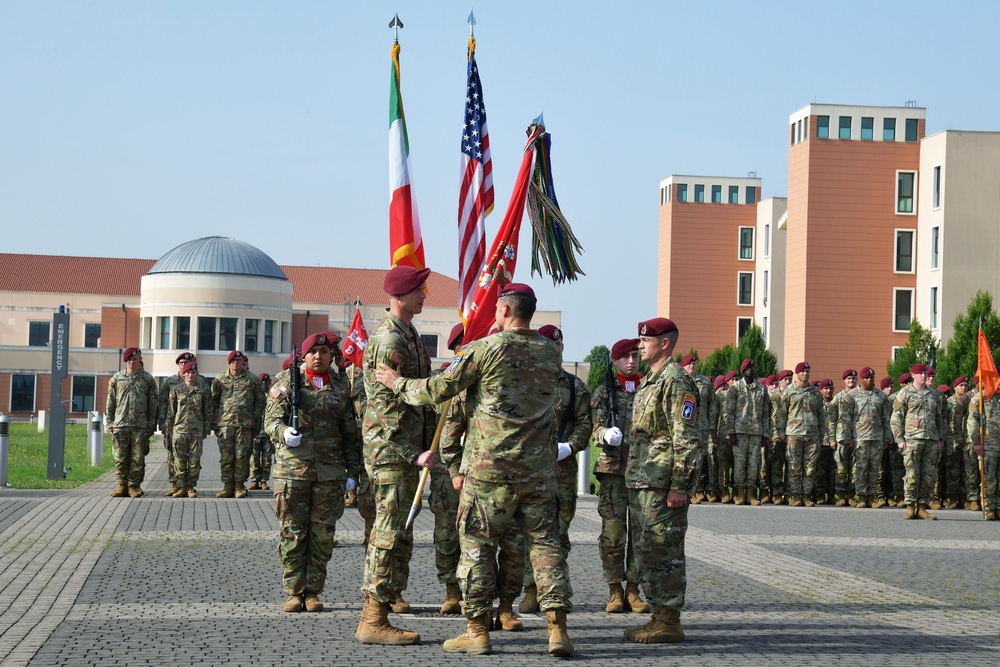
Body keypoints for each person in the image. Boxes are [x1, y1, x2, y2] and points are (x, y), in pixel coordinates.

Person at [374, 283, 574, 657]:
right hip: (539, 472)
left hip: (489, 473)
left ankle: (477, 632)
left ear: (503, 311)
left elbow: (439, 389)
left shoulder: (486, 349)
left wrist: (396, 382)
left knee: (478, 550)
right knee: (546, 549)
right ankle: (557, 630)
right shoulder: (551, 353)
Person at [356, 265, 437, 646]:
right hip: (392, 453)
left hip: (406, 452)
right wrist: (413, 452)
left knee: (398, 532)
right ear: (400, 295)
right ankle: (372, 620)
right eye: (419, 290)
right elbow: (385, 406)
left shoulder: (409, 333)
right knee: (386, 534)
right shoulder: (390, 339)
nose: (424, 295)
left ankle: (383, 608)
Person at [265, 332, 361, 612]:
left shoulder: (341, 388)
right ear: (303, 356)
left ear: (332, 356)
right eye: (312, 352)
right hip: (293, 472)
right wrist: (284, 432)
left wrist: (352, 471)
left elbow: (349, 433)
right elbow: (270, 420)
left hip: (329, 474)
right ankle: (294, 592)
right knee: (293, 533)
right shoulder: (285, 383)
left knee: (322, 536)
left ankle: (313, 592)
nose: (318, 357)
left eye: (324, 352)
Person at [620, 317, 699, 644]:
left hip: (663, 484)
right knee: (648, 551)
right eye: (640, 340)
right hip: (643, 482)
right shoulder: (650, 380)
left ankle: (669, 620)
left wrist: (680, 485)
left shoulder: (677, 381)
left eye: (645, 340)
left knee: (664, 551)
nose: (639, 346)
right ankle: (658, 615)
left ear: (664, 343)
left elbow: (687, 437)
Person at [520, 324, 592, 616]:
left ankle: (557, 592)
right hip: (529, 470)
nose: (553, 350)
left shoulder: (575, 386)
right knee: (528, 532)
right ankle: (529, 589)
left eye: (557, 345)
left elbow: (586, 424)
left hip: (561, 472)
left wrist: (571, 446)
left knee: (559, 534)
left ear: (561, 348)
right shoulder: (525, 381)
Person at [591, 338, 648, 614]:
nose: (631, 361)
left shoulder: (649, 389)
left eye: (635, 356)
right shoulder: (604, 392)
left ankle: (634, 590)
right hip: (612, 472)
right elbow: (595, 427)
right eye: (625, 357)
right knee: (613, 535)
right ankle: (614, 590)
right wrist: (605, 435)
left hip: (643, 472)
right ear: (615, 361)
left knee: (640, 535)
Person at [428, 322, 465, 616]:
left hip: (482, 472)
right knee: (447, 535)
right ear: (453, 350)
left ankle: (485, 596)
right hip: (445, 475)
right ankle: (452, 589)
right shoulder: (441, 383)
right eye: (463, 345)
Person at [891, 364, 947, 520]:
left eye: (925, 373)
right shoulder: (905, 393)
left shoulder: (935, 395)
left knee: (929, 476)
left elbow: (939, 419)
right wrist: (900, 439)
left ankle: (922, 507)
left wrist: (940, 439)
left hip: (931, 440)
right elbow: (896, 418)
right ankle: (910, 506)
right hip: (912, 440)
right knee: (912, 474)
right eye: (920, 373)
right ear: (913, 375)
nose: (923, 376)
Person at [211, 350, 266, 499]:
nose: (236, 363)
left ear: (243, 362)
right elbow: (213, 402)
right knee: (226, 456)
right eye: (233, 360)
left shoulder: (253, 380)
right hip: (225, 424)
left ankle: (239, 486)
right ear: (229, 362)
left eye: (239, 360)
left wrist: (255, 421)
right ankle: (227, 486)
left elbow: (260, 402)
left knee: (242, 456)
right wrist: (215, 423)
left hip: (245, 425)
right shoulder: (220, 380)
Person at [106, 347, 158, 498]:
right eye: (129, 359)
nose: (132, 361)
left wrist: (151, 424)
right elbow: (110, 402)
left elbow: (153, 404)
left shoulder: (147, 379)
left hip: (140, 425)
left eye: (135, 359)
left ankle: (134, 486)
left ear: (139, 360)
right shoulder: (116, 379)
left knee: (137, 458)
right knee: (120, 458)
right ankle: (121, 485)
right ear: (125, 361)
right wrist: (110, 423)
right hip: (120, 424)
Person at [777, 362, 825, 507]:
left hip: (812, 434)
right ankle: (794, 495)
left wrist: (822, 433)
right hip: (794, 434)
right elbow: (781, 414)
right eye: (802, 371)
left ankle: (806, 495)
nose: (805, 374)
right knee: (794, 466)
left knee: (810, 467)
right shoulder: (788, 392)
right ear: (797, 373)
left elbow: (821, 415)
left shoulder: (815, 392)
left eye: (807, 371)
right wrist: (781, 432)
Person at [158, 352, 206, 496]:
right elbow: (164, 404)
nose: (185, 366)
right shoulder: (170, 382)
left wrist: (206, 428)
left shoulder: (202, 382)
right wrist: (164, 424)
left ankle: (189, 485)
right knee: (173, 456)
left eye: (188, 363)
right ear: (178, 365)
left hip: (195, 427)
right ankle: (175, 484)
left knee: (192, 458)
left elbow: (207, 406)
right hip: (175, 426)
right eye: (182, 363)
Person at [726, 359, 771, 506]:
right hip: (739, 432)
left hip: (756, 432)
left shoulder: (761, 389)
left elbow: (765, 413)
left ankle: (751, 494)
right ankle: (739, 493)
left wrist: (765, 434)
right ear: (742, 370)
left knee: (753, 465)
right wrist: (731, 432)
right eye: (747, 368)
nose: (750, 370)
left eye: (752, 367)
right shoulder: (735, 388)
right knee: (739, 464)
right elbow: (730, 412)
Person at [848, 367, 891, 508]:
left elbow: (886, 418)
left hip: (877, 437)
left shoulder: (880, 396)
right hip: (859, 437)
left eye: (871, 378)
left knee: (874, 468)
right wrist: (848, 438)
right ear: (861, 379)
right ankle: (861, 496)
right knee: (861, 467)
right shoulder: (852, 395)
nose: (869, 380)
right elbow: (846, 418)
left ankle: (872, 497)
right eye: (866, 378)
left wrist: (886, 438)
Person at [681, 354, 714, 506]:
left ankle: (696, 490)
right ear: (684, 366)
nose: (692, 366)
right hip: (683, 427)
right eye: (689, 364)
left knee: (699, 459)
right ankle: (684, 489)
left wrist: (711, 425)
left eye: (694, 364)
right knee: (684, 458)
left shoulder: (705, 382)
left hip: (701, 426)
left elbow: (712, 405)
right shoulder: (679, 380)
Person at [967, 380, 998, 520]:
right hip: (988, 445)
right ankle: (989, 507)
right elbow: (972, 421)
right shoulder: (981, 397)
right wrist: (976, 442)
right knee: (989, 478)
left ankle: (998, 506)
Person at [831, 369, 858, 506]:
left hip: (858, 438)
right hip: (841, 438)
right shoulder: (838, 398)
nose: (851, 381)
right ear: (844, 381)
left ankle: (851, 495)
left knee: (854, 469)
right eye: (848, 379)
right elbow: (832, 419)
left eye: (853, 379)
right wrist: (832, 438)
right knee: (841, 469)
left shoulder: (860, 396)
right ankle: (841, 495)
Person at [249, 372, 274, 491]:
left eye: (266, 381)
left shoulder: (273, 395)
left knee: (267, 459)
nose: (264, 383)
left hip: (268, 433)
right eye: (262, 381)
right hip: (256, 432)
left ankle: (264, 480)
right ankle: (254, 480)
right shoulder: (254, 395)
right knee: (254, 458)